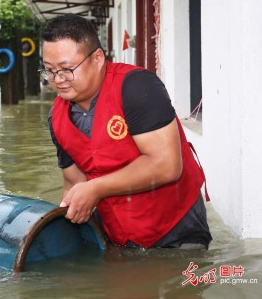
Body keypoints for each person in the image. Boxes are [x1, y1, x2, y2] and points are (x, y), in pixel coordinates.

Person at [41, 14, 211, 249]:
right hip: (119, 234)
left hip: (175, 227)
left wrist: (96, 188)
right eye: (49, 70)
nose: (58, 79)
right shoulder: (57, 118)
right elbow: (74, 184)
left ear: (98, 58)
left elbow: (167, 165)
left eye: (67, 69)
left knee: (182, 283)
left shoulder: (137, 87)